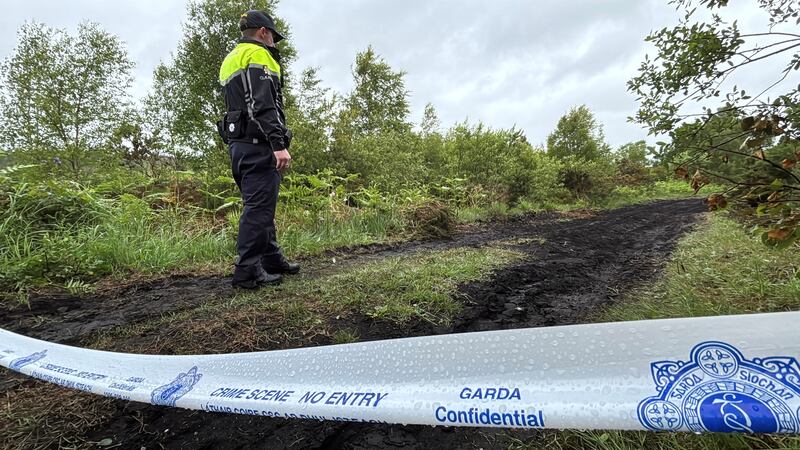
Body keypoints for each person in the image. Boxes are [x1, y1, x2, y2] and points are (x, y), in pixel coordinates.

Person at [218, 10, 300, 289]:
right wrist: (278, 144)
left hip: (238, 146)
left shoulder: (231, 58)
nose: (275, 43)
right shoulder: (260, 56)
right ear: (264, 32)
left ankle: (270, 258)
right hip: (258, 144)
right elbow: (261, 104)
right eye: (274, 37)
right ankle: (247, 271)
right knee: (258, 208)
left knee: (262, 205)